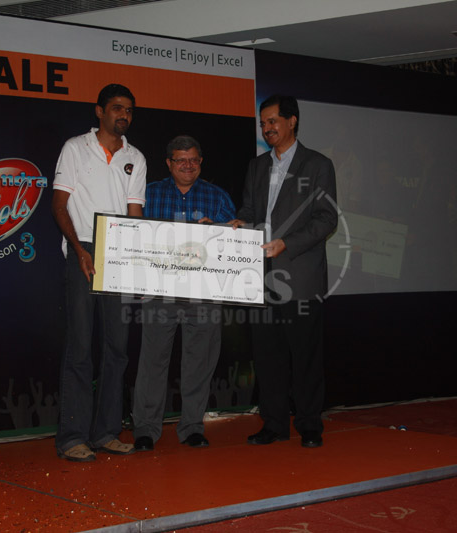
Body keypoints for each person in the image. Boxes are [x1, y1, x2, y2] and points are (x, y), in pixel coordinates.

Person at [229, 95, 338, 448]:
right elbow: (250, 211)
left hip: (300, 277)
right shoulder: (257, 166)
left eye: (273, 121)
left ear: (292, 121)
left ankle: (309, 425)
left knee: (305, 357)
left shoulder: (317, 164)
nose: (267, 128)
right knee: (268, 357)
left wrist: (286, 243)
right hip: (261, 277)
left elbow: (326, 219)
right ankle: (274, 424)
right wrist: (239, 223)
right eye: (263, 123)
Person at [52, 83, 146, 462]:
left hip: (119, 250)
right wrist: (79, 250)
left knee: (117, 349)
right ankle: (72, 437)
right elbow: (59, 204)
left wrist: (135, 257)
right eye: (117, 108)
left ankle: (106, 432)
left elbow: (135, 213)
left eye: (129, 110)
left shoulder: (135, 157)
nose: (124, 115)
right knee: (80, 347)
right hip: (84, 248)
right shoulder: (76, 148)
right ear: (100, 111)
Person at [132, 135, 236, 451]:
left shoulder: (217, 197)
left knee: (199, 363)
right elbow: (131, 238)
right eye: (180, 160)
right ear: (169, 163)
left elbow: (235, 241)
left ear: (200, 162)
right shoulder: (148, 194)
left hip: (204, 293)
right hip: (158, 292)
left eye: (193, 159)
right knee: (152, 362)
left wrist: (218, 230)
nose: (187, 165)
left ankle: (192, 427)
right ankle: (146, 430)